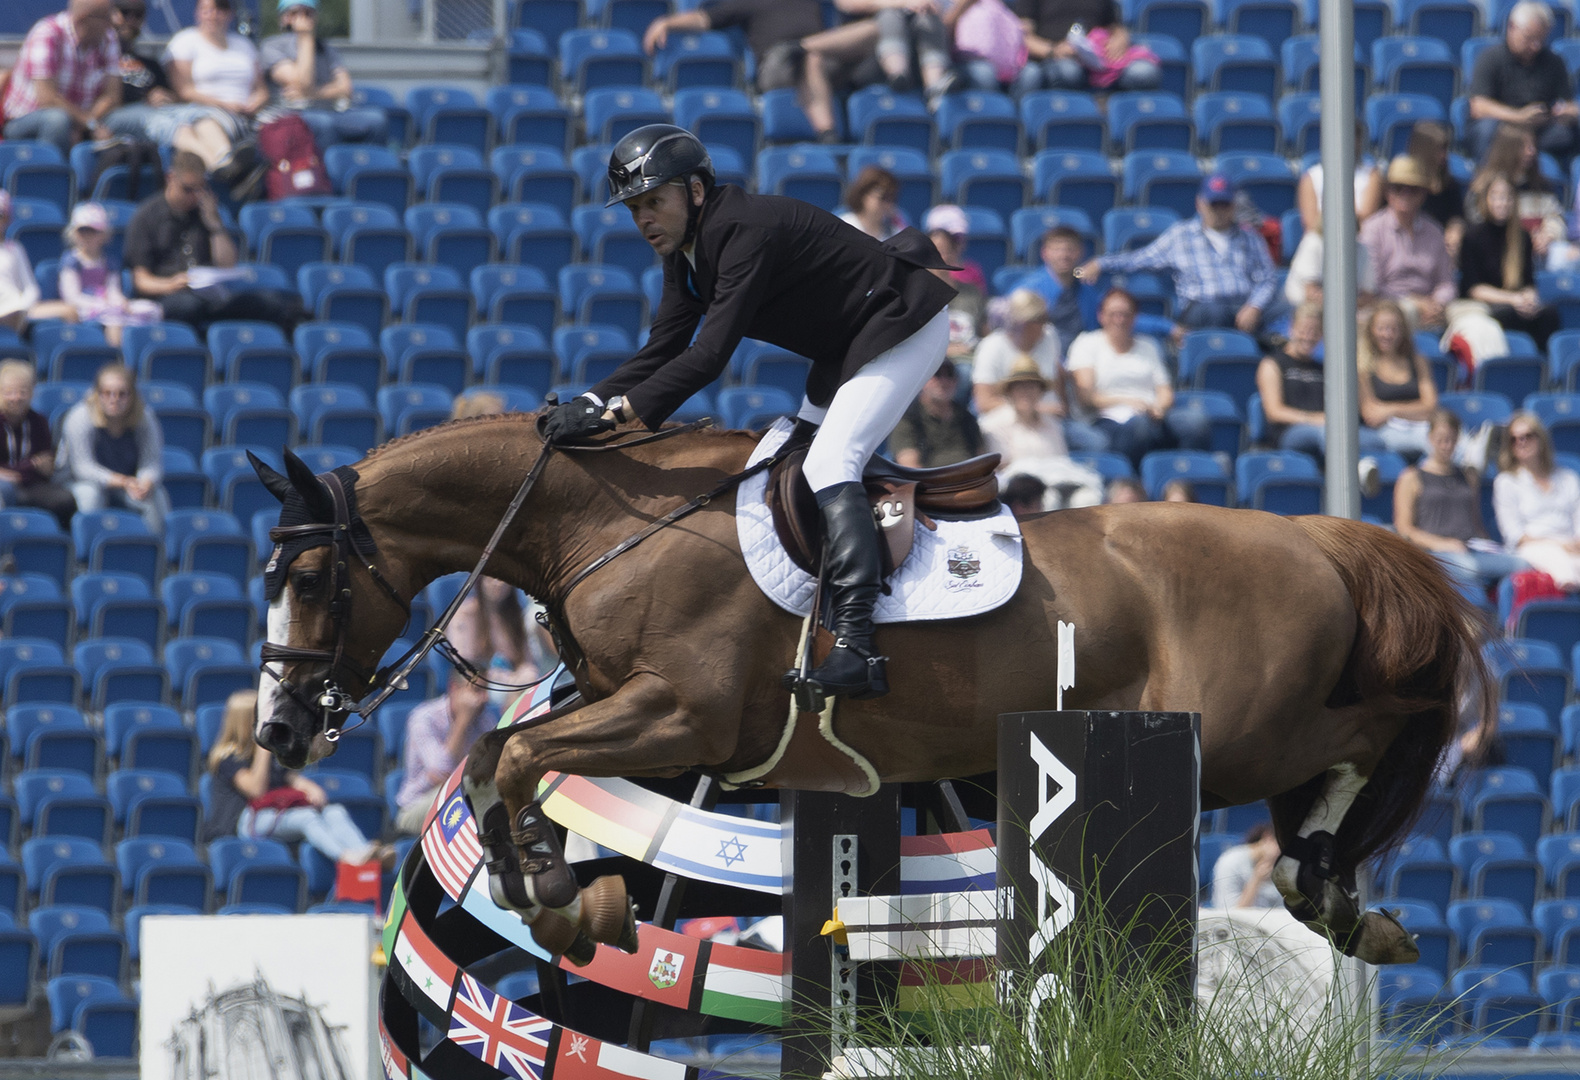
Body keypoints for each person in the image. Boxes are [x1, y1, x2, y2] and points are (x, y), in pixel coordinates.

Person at [538, 125, 958, 702]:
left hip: (903, 324)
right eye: (634, 208)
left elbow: (709, 357)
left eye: (653, 201)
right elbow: (662, 346)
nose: (643, 219)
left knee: (830, 462)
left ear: (696, 191)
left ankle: (860, 647)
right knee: (785, 463)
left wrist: (619, 417)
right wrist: (590, 400)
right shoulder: (686, 252)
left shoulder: (742, 230)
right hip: (851, 344)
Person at [1077, 174, 1285, 339]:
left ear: (1234, 205)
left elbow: (1267, 278)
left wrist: (1254, 307)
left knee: (1287, 309)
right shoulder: (1181, 235)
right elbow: (1140, 258)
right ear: (1200, 203)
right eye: (1214, 204)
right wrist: (1100, 263)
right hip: (1203, 307)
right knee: (1215, 313)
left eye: (1225, 204)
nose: (1219, 210)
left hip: (1245, 305)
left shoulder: (1250, 237)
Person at [123, 151, 305, 335]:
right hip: (168, 294)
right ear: (171, 178)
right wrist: (171, 284)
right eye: (188, 189)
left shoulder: (205, 212)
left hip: (209, 294)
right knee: (188, 306)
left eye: (200, 189)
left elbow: (227, 264)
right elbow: (141, 280)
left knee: (271, 303)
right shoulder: (146, 217)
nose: (194, 196)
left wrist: (214, 225)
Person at [206, 689, 386, 864]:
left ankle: (366, 854)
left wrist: (311, 789)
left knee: (335, 811)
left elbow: (292, 779)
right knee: (306, 817)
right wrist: (263, 748)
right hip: (244, 821)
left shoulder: (270, 755)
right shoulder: (227, 757)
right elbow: (256, 790)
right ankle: (347, 857)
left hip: (273, 813)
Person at [642, 0, 839, 141]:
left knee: (868, 29)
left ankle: (806, 47)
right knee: (811, 58)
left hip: (827, 58)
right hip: (779, 65)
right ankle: (826, 131)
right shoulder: (748, 2)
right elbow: (705, 19)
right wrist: (666, 22)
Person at [1066, 287, 1210, 467]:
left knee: (1195, 422)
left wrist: (1159, 408)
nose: (1119, 320)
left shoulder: (1148, 346)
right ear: (1101, 316)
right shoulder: (1086, 343)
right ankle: (1134, 481)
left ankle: (1182, 478)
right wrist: (1129, 402)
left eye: (1125, 314)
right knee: (1140, 426)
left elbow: (1165, 392)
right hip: (1107, 418)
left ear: (1134, 317)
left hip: (1152, 414)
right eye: (1113, 314)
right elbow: (1086, 397)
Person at [1395, 408, 1525, 590]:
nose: (1446, 445)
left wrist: (1488, 543)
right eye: (1441, 439)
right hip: (1434, 551)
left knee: (1524, 566)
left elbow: (1475, 521)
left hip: (1470, 546)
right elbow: (1405, 528)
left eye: (1451, 439)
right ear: (1430, 438)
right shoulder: (1411, 477)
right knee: (1470, 569)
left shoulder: (1468, 476)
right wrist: (1441, 543)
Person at [972, 288, 1106, 452]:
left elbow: (1057, 387)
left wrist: (1059, 408)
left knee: (1096, 442)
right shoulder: (991, 347)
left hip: (1050, 422)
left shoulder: (1050, 336)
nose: (1045, 324)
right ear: (1022, 322)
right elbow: (984, 402)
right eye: (1040, 319)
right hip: (1007, 422)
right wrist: (1034, 407)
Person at [1256, 302, 1386, 461]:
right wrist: (1315, 419)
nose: (1309, 337)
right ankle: (1347, 478)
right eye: (1304, 331)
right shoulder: (1273, 364)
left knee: (1376, 441)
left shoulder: (1323, 368)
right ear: (1292, 329)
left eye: (1315, 332)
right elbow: (1274, 412)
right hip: (1291, 432)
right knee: (1330, 435)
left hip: (1327, 427)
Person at [56, 362, 170, 533]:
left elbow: (152, 461)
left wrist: (146, 482)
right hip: (79, 481)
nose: (114, 399)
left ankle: (155, 551)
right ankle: (90, 552)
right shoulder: (79, 417)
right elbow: (83, 468)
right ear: (97, 394)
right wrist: (123, 481)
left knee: (155, 495)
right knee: (91, 495)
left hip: (127, 482)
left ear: (132, 396)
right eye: (107, 393)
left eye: (121, 394)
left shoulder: (144, 417)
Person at [159, 0, 267, 179]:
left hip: (249, 111)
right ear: (197, 13)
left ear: (229, 14)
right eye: (206, 10)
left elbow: (262, 89)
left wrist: (255, 104)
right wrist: (225, 104)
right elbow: (184, 91)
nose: (213, 15)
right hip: (204, 109)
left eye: (219, 10)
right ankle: (231, 167)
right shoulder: (184, 41)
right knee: (206, 121)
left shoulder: (244, 45)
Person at [259, 0, 388, 148]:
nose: (303, 19)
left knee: (377, 120)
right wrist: (305, 37)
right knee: (323, 124)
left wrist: (313, 93)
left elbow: (345, 88)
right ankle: (324, 170)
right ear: (284, 18)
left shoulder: (326, 49)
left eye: (308, 13)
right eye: (295, 13)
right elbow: (302, 83)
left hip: (329, 110)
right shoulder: (271, 47)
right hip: (292, 114)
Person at [1, 0, 122, 156]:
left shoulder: (108, 37)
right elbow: (47, 99)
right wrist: (88, 123)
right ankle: (49, 175)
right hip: (26, 119)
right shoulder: (47, 33)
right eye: (106, 17)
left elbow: (113, 96)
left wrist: (87, 123)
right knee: (57, 121)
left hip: (87, 118)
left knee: (126, 121)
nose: (113, 22)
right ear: (84, 19)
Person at [978, 355, 1104, 506]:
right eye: (1020, 387)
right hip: (1019, 494)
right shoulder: (993, 424)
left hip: (1058, 483)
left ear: (1040, 391)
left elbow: (1061, 460)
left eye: (1032, 386)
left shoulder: (1052, 424)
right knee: (1049, 499)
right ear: (1010, 392)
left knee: (1087, 498)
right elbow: (1001, 469)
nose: (1027, 392)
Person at [1467, 0, 1580, 166]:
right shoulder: (1490, 58)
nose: (1535, 46)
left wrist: (1563, 113)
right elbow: (1478, 106)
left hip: (1540, 131)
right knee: (1486, 129)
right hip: (1503, 128)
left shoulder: (1554, 62)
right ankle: (1488, 179)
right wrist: (1518, 117)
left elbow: (1568, 104)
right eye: (1529, 38)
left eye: (1541, 40)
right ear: (1512, 28)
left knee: (1567, 132)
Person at [1459, 171, 1562, 350]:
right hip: (1490, 303)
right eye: (1497, 197)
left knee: (1549, 314)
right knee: (1506, 316)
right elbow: (1473, 289)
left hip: (1517, 300)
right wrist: (1513, 299)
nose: (1502, 203)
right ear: (1486, 199)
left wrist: (1528, 297)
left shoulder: (1522, 236)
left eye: (1507, 198)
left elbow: (1528, 282)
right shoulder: (1472, 236)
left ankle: (1540, 371)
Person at [1359, 156, 1458, 331]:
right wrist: (1415, 302)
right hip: (1387, 305)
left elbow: (1446, 281)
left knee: (1476, 317)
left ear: (1423, 194)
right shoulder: (1372, 230)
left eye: (1413, 189)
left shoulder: (1434, 231)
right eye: (1398, 188)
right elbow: (1373, 286)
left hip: (1432, 304)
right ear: (1388, 193)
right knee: (1409, 312)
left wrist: (1438, 303)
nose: (1405, 194)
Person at [395, 673, 501, 835]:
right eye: (476, 690)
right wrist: (463, 721)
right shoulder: (424, 718)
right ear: (454, 688)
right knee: (466, 797)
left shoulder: (484, 718)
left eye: (486, 691)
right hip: (416, 806)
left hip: (463, 797)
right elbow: (442, 769)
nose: (484, 698)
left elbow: (496, 765)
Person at [1493, 410, 1580, 587]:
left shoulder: (1568, 478)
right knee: (1562, 564)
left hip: (1571, 545)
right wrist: (1558, 544)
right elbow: (1515, 535)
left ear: (1541, 438)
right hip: (1532, 548)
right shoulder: (1506, 482)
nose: (1521, 442)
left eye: (1527, 436)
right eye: (1514, 439)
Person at [58, 202, 162, 348]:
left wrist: (120, 301)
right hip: (84, 308)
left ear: (104, 235)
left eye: (93, 231)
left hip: (107, 306)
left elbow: (113, 290)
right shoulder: (71, 261)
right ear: (74, 234)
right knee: (114, 320)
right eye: (83, 231)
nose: (88, 236)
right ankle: (116, 355)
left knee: (151, 309)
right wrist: (99, 303)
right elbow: (72, 296)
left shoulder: (109, 262)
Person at [1012, 0, 1160, 93]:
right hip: (1055, 58)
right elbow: (1023, 36)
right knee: (1069, 71)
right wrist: (1053, 51)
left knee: (1145, 72)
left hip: (1098, 59)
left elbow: (1116, 26)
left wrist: (1121, 39)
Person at [1470, 123, 1566, 266]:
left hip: (1540, 252)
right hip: (1499, 251)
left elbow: (1556, 218)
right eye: (1524, 147)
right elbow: (1478, 225)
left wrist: (1547, 236)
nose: (1531, 152)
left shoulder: (1542, 187)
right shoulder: (1484, 188)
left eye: (1533, 146)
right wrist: (1521, 239)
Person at [1357, 300, 1439, 460]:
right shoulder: (1362, 365)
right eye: (1381, 328)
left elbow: (1431, 408)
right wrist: (1415, 410)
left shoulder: (1418, 361)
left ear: (1403, 332)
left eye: (1393, 329)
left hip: (1421, 426)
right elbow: (1371, 415)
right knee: (1436, 441)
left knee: (1442, 433)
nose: (1387, 335)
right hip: (1384, 432)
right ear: (1371, 330)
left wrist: (1390, 411)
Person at [0, 361, 76, 528]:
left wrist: (38, 468)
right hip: (4, 485)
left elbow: (45, 465)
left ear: (32, 393)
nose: (16, 398)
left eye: (22, 392)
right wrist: (29, 465)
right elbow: (33, 464)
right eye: (9, 392)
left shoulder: (39, 422)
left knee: (65, 500)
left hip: (32, 484)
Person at [0, 194, 79, 335]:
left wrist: (23, 306)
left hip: (19, 308)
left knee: (69, 311)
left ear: (8, 218)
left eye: (1, 215)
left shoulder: (15, 249)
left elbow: (30, 287)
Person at [102, 0, 176, 142]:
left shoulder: (150, 63)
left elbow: (173, 96)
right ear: (110, 14)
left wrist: (165, 97)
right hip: (115, 116)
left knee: (195, 116)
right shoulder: (98, 58)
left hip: (155, 116)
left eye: (137, 15)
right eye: (125, 13)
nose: (130, 20)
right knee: (165, 121)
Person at [888, 359, 984, 467]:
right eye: (936, 374)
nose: (944, 381)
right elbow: (910, 468)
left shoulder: (966, 417)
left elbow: (981, 460)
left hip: (970, 480)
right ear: (923, 380)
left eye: (950, 374)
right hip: (928, 482)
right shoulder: (908, 418)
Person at [1296, 118, 1384, 234]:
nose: (1348, 141)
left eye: (1354, 135)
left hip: (1359, 238)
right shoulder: (1311, 177)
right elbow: (1311, 223)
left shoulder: (1372, 174)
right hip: (1320, 239)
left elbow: (1366, 216)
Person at [924, 205, 987, 363]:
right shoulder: (915, 296)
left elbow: (985, 333)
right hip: (933, 363)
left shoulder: (972, 293)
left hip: (970, 359)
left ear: (953, 254)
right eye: (932, 251)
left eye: (943, 251)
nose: (937, 257)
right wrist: (947, 350)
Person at [1022, 225, 1102, 349]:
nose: (1064, 255)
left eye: (1070, 249)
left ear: (1081, 252)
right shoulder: (1027, 291)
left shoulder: (1089, 289)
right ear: (1044, 253)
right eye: (1056, 249)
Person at [1408, 121, 1465, 257]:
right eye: (1439, 150)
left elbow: (1456, 216)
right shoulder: (1407, 187)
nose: (1444, 155)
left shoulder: (1450, 184)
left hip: (1444, 246)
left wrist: (1456, 230)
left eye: (1445, 149)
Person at [1210, 823, 1283, 909]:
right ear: (1268, 838)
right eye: (1281, 847)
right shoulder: (1231, 861)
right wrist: (1256, 880)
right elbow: (1231, 915)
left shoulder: (1281, 864)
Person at [841, 166, 906, 241]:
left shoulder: (895, 231)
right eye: (883, 197)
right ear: (863, 195)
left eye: (892, 198)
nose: (888, 204)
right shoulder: (846, 226)